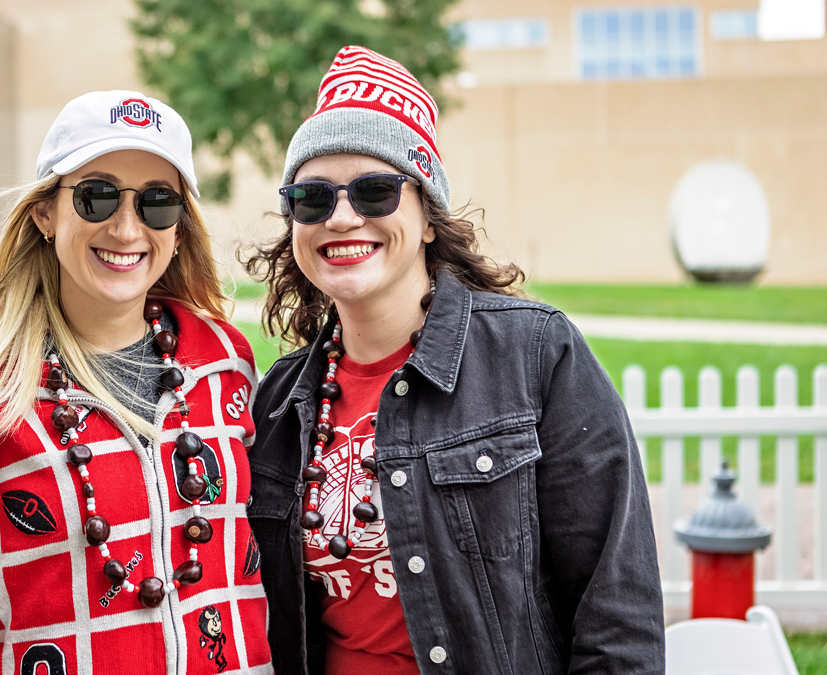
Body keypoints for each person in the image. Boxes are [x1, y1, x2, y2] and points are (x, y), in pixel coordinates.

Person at [245, 46, 664, 674]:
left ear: (429, 217)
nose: (341, 216)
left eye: (375, 191)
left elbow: (617, 613)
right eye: (312, 197)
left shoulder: (535, 356)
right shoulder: (278, 402)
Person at [0, 90, 272, 674]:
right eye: (97, 196)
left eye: (157, 203)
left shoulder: (225, 361)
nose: (125, 226)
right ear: (45, 213)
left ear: (179, 227)